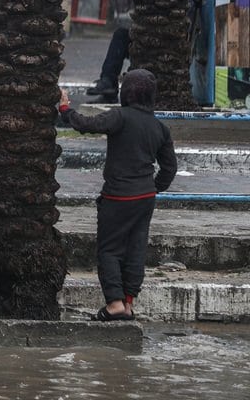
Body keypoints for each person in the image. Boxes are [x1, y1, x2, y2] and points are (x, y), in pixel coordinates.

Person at [58, 70, 176, 321]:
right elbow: (169, 168)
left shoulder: (120, 117)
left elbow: (86, 125)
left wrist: (66, 108)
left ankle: (114, 303)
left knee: (109, 250)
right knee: (135, 249)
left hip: (118, 197)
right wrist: (154, 187)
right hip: (145, 198)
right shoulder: (160, 128)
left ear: (126, 92)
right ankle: (129, 303)